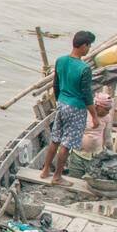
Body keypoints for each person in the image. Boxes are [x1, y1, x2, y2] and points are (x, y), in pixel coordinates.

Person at [40, 30, 95, 184]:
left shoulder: (60, 61)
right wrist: (95, 116)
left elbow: (55, 85)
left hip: (62, 104)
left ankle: (45, 171)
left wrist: (59, 101)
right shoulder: (84, 68)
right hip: (76, 108)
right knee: (67, 144)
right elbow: (87, 95)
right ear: (83, 46)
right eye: (89, 46)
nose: (89, 49)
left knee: (55, 139)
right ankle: (57, 176)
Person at [65, 89, 113, 178]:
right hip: (77, 155)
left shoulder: (107, 118)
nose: (108, 112)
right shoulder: (83, 112)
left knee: (91, 182)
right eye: (106, 109)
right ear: (98, 106)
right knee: (75, 180)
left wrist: (111, 154)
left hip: (95, 158)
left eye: (109, 109)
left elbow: (108, 138)